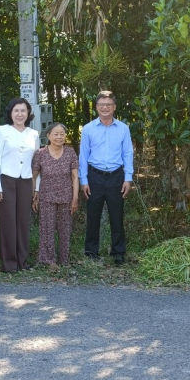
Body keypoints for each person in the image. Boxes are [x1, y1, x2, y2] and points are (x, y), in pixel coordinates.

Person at [79, 90, 135, 265]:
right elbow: (82, 156)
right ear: (97, 107)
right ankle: (91, 252)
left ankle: (118, 253)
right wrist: (84, 180)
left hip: (116, 177)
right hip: (94, 176)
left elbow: (127, 154)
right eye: (102, 105)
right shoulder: (88, 129)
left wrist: (128, 178)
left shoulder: (123, 128)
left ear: (114, 107)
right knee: (93, 216)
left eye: (108, 105)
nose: (105, 108)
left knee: (116, 216)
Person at [0, 97, 40, 272]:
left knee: (23, 221)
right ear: (10, 113)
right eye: (16, 111)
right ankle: (9, 263)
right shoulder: (2, 131)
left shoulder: (33, 134)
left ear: (28, 113)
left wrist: (37, 187)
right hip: (6, 179)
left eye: (23, 111)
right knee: (8, 221)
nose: (20, 114)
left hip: (26, 180)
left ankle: (23, 261)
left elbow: (37, 164)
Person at [32, 122, 79, 268]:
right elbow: (33, 176)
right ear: (48, 136)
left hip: (66, 197)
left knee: (65, 229)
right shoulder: (40, 154)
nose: (59, 137)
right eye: (55, 134)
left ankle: (64, 260)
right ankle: (49, 260)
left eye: (62, 134)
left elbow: (75, 177)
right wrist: (34, 195)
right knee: (47, 229)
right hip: (46, 196)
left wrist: (75, 198)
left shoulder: (70, 152)